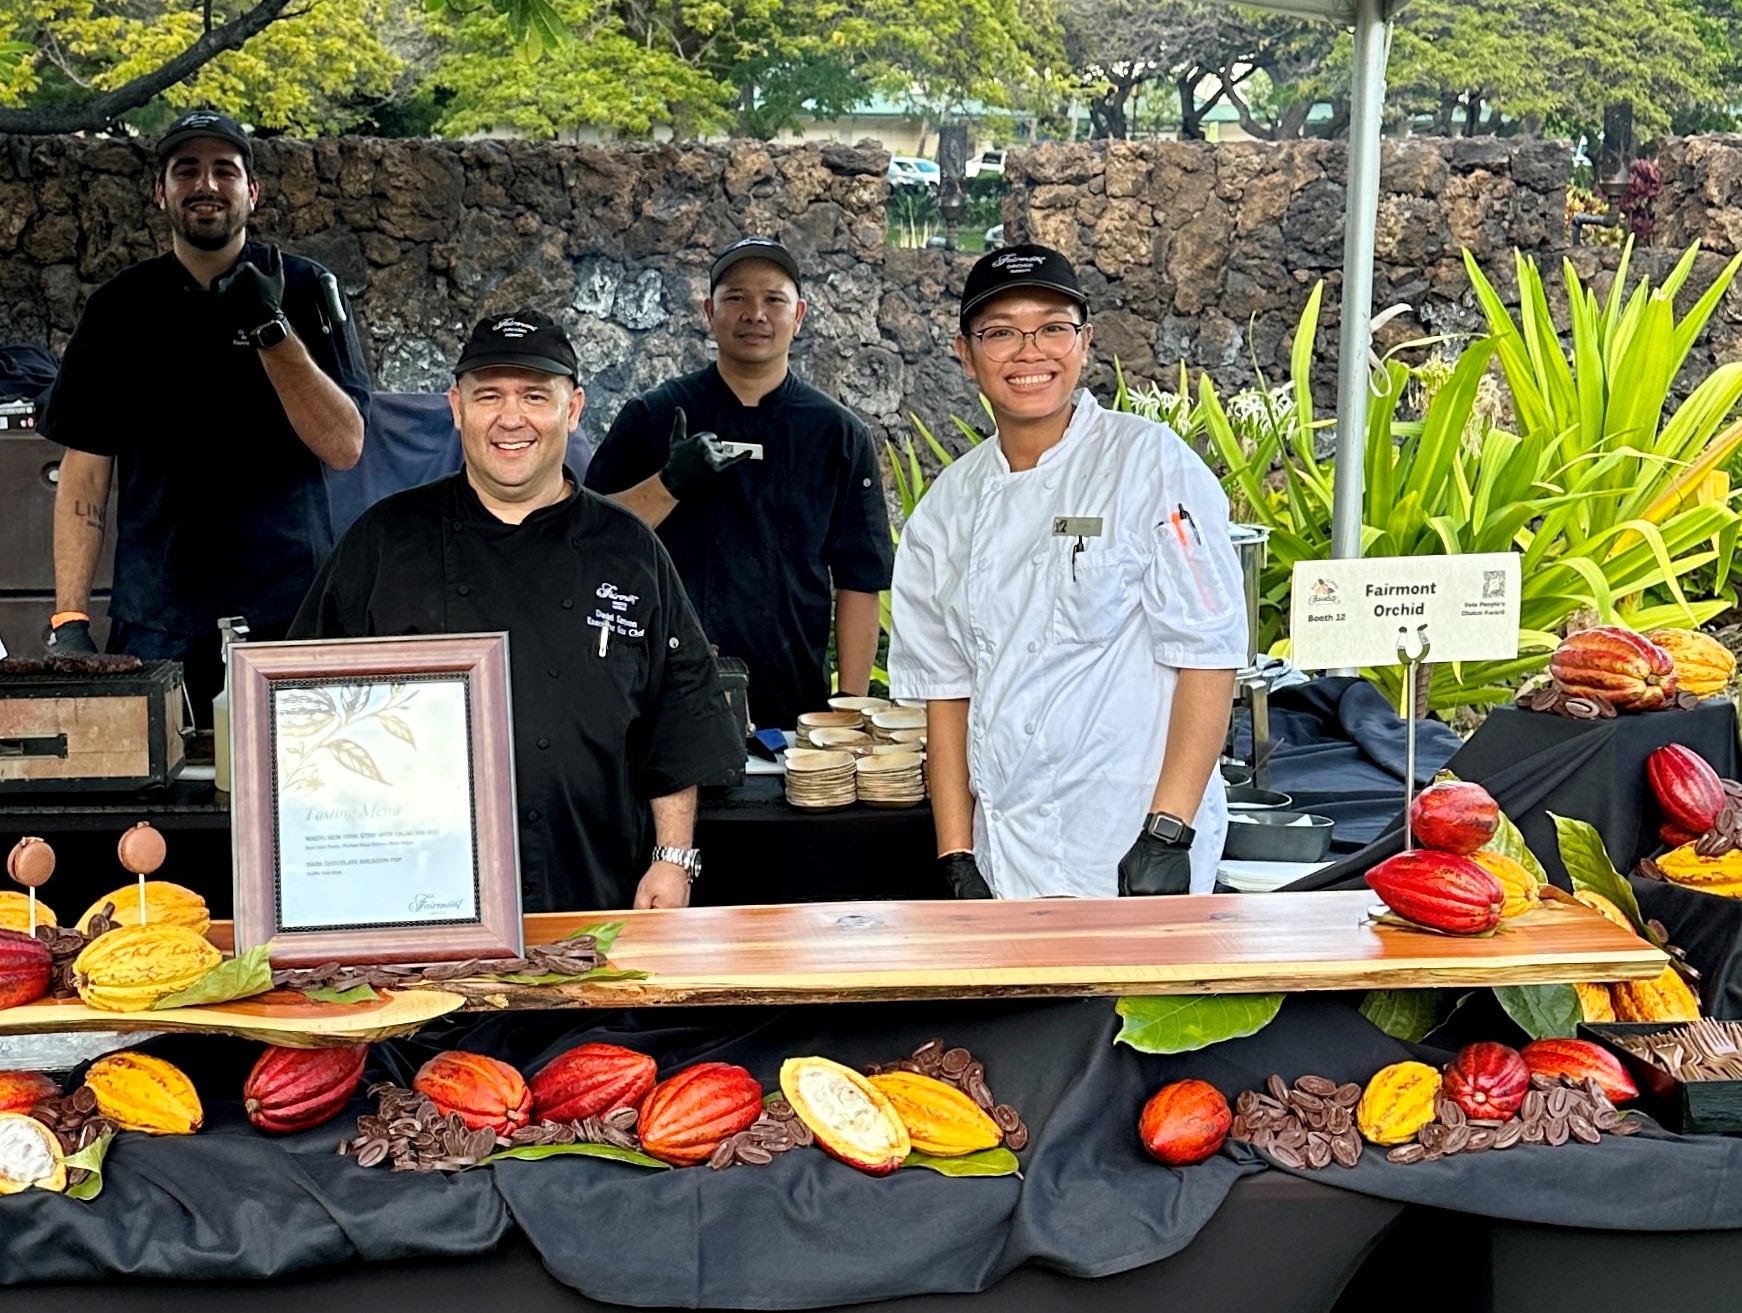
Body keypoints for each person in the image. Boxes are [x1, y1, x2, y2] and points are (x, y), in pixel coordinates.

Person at [290, 309, 744, 913]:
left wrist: (673, 859)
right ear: (456, 407)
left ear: (573, 409)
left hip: (595, 893)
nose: (511, 418)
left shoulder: (630, 548)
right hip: (412, 903)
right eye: (489, 397)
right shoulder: (383, 541)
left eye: (535, 396)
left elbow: (677, 721)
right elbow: (299, 715)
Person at [887, 245, 1248, 899]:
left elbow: (1209, 652)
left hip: (1130, 840)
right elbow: (948, 694)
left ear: (1084, 343)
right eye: (1000, 332)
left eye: (1053, 327)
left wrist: (1168, 832)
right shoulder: (943, 514)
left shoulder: (1153, 469)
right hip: (1007, 854)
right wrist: (957, 855)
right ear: (966, 354)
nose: (1031, 352)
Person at [40, 110, 371, 718]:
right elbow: (84, 475)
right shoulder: (119, 307)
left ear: (252, 191)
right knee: (161, 803)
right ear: (160, 191)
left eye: (225, 169)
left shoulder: (305, 287)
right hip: (156, 619)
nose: (206, 184)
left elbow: (345, 445)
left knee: (294, 800)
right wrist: (69, 619)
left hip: (290, 612)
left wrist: (272, 331)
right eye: (186, 169)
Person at [583, 237, 893, 732]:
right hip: (662, 690)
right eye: (736, 298)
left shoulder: (837, 434)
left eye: (774, 299)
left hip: (794, 700)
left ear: (800, 315)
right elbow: (588, 539)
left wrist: (849, 709)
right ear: (709, 311)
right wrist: (669, 483)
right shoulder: (655, 416)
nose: (755, 313)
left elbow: (859, 579)